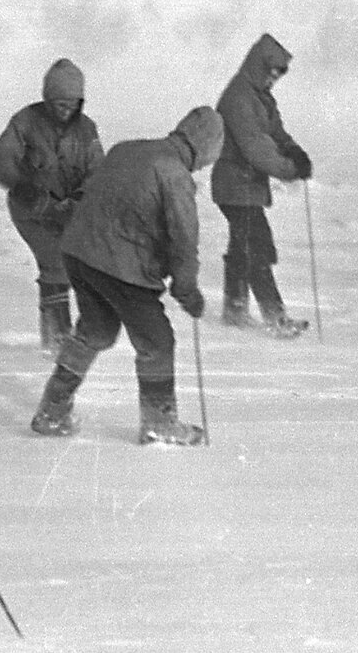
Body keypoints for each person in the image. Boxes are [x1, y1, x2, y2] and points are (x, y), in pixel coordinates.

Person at [29, 106, 223, 446]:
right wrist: (187, 290)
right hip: (121, 266)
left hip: (79, 253)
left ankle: (52, 410)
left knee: (97, 331)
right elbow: (183, 240)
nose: (206, 165)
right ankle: (158, 423)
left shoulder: (127, 149)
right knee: (157, 342)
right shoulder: (175, 174)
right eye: (210, 157)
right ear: (205, 146)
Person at [0, 58, 104, 353]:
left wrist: (80, 198)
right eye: (59, 103)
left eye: (72, 104)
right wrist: (24, 187)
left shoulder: (87, 129)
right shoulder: (25, 121)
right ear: (47, 99)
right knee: (55, 263)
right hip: (32, 212)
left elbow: (97, 171)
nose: (65, 110)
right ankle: (56, 342)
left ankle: (67, 337)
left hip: (70, 212)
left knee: (79, 265)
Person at [211, 33, 313, 339]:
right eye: (271, 73)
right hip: (235, 185)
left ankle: (235, 308)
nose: (273, 80)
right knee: (256, 247)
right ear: (259, 66)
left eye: (277, 76)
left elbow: (276, 134)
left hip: (246, 187)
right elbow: (256, 148)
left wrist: (295, 151)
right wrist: (289, 169)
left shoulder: (261, 98)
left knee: (245, 247)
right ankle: (273, 316)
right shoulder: (240, 97)